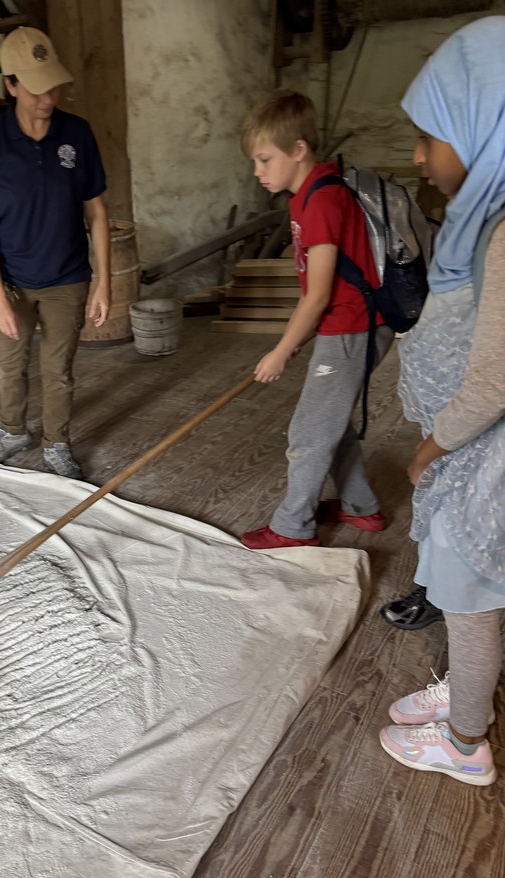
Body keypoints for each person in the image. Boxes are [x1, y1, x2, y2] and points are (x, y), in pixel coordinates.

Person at [379, 16, 505, 786]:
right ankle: (464, 695)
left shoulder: (504, 234)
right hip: (475, 446)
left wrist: (433, 445)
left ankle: (464, 743)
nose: (420, 157)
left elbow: (494, 377)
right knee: (466, 583)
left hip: (483, 453)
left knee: (469, 590)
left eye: (432, 137)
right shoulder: (482, 221)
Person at [237, 90, 393, 550]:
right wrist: (303, 335)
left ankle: (293, 526)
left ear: (299, 150)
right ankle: (360, 507)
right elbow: (317, 290)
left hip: (353, 329)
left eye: (265, 160)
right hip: (346, 324)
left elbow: (320, 292)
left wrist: (281, 350)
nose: (257, 171)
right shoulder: (303, 197)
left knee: (308, 432)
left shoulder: (323, 201)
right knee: (330, 422)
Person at [0, 27, 111, 480]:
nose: (48, 97)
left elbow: (97, 215)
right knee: (9, 365)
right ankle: (12, 430)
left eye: (53, 85)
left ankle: (57, 443)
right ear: (10, 83)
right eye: (35, 87)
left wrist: (104, 280)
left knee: (59, 371)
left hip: (67, 278)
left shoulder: (77, 134)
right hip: (11, 280)